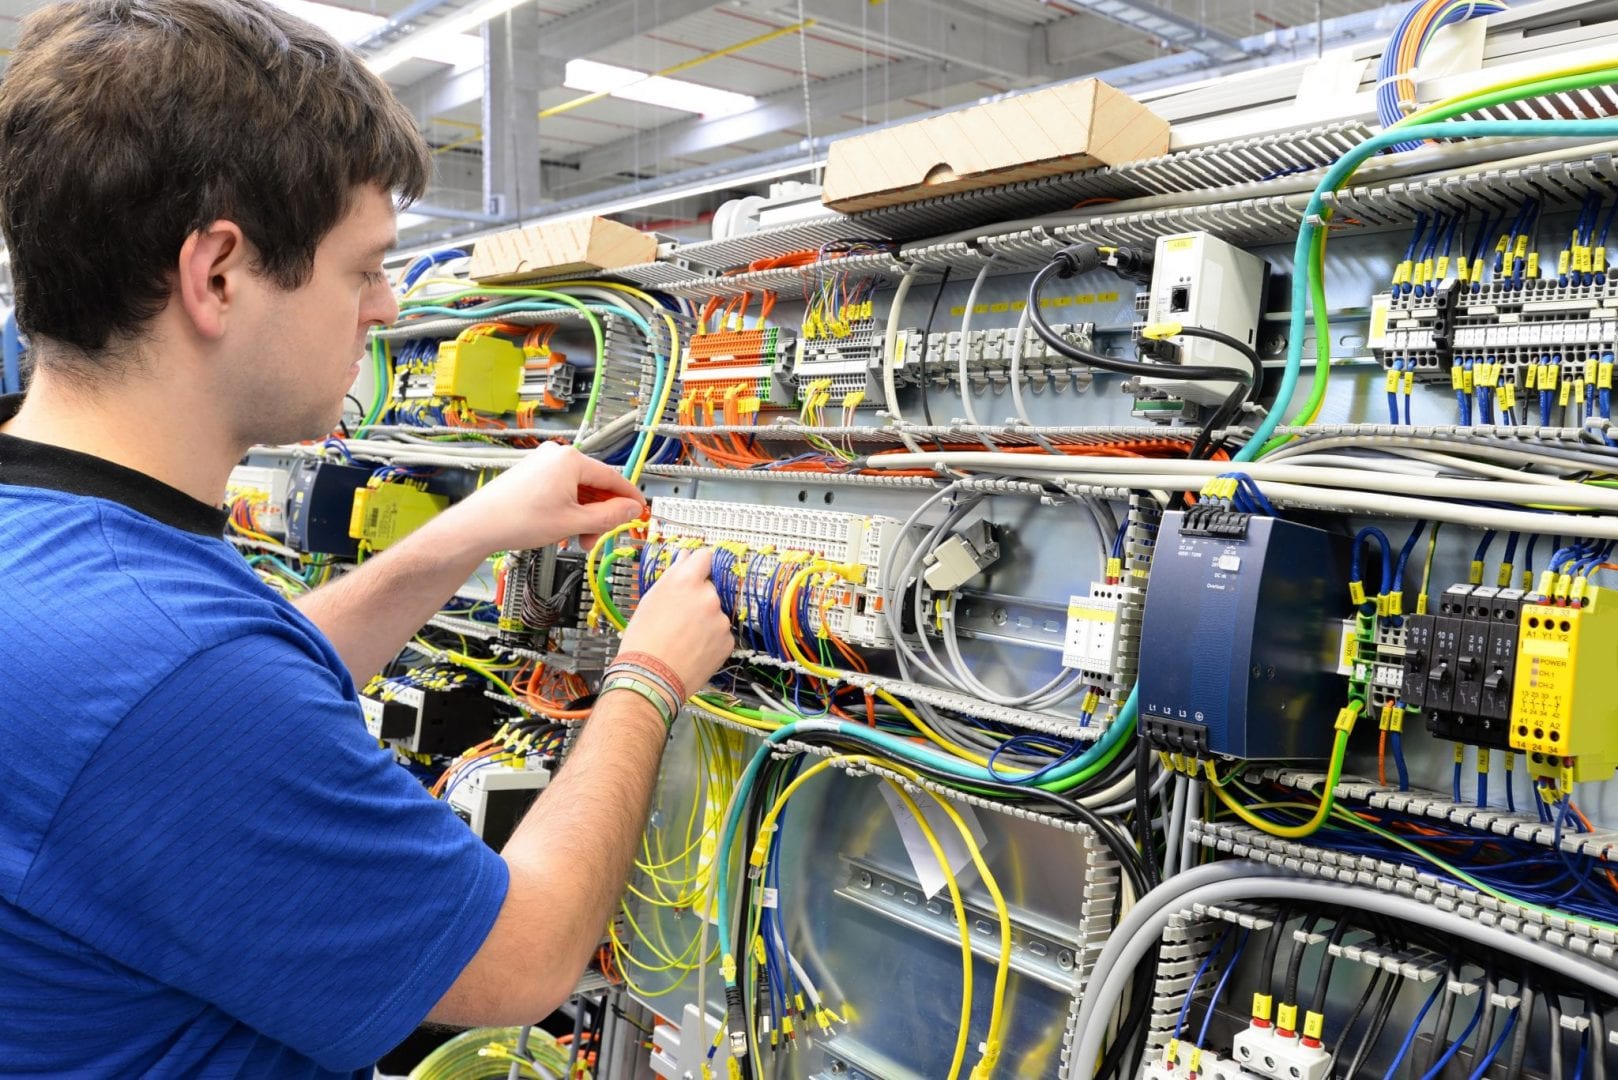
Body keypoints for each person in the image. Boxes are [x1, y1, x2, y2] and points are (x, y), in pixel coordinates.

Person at [0, 1, 736, 1075]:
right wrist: (649, 678)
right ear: (216, 275)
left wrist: (468, 533)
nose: (387, 308)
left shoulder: (62, 547)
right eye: (364, 267)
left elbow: (214, 673)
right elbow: (523, 959)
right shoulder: (179, 679)